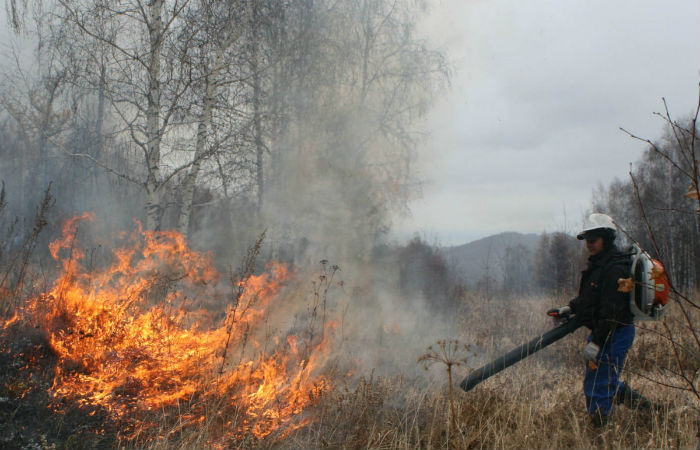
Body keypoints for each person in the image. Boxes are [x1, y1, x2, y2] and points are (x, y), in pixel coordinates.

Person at [554, 213, 652, 426]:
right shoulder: (598, 265)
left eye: (593, 239)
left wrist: (597, 342)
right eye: (586, 240)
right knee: (603, 379)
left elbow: (612, 311)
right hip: (604, 331)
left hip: (616, 332)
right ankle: (648, 410)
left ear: (606, 239)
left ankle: (599, 431)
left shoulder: (615, 268)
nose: (588, 244)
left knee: (600, 382)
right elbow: (590, 298)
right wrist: (570, 308)